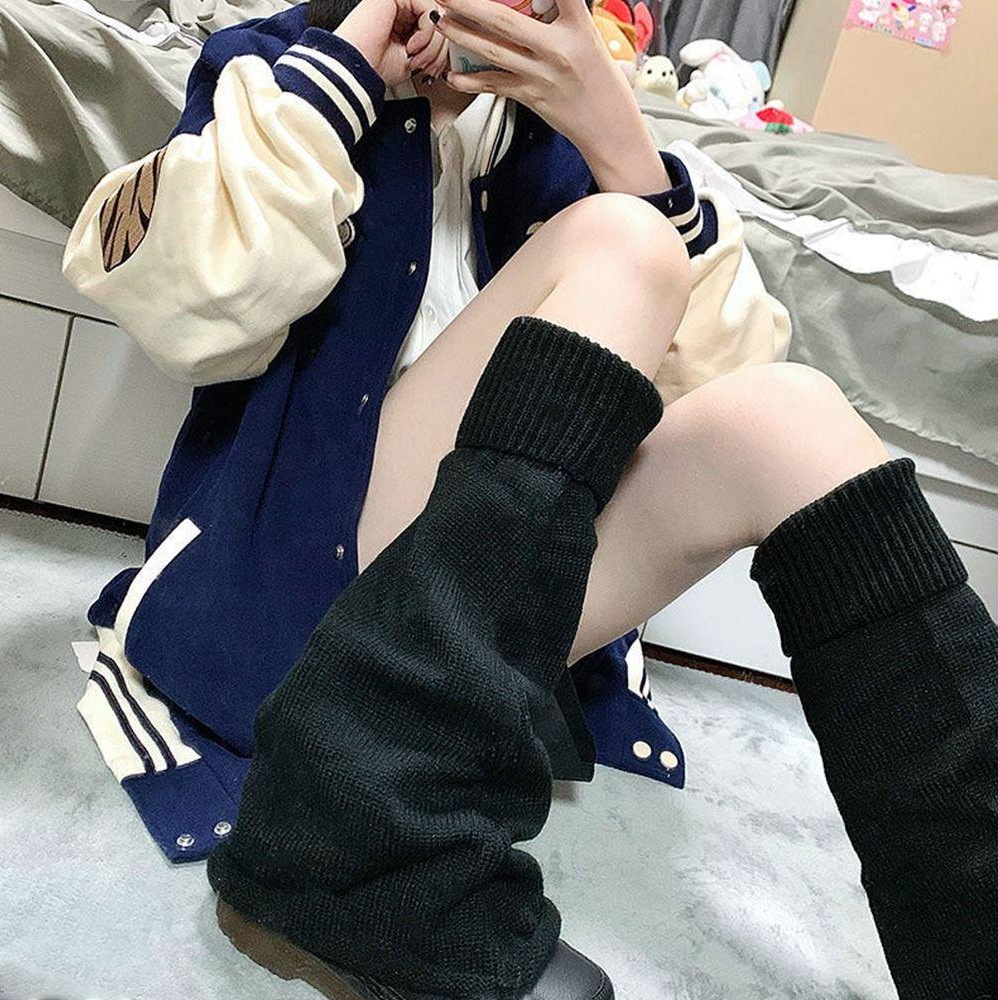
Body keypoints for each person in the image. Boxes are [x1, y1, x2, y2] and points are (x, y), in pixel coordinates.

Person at [62, 0, 998, 998]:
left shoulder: (549, 137)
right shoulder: (271, 71)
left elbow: (719, 381)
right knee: (623, 246)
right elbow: (191, 313)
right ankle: (356, 841)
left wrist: (619, 143)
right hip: (292, 588)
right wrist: (350, 67)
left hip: (484, 615)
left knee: (790, 415)